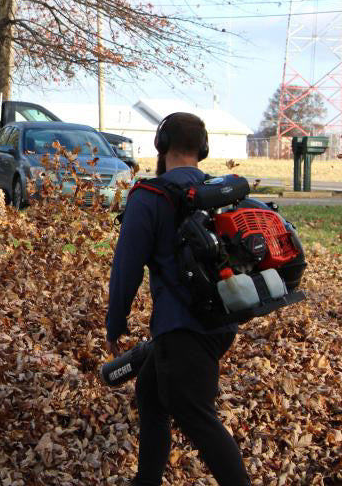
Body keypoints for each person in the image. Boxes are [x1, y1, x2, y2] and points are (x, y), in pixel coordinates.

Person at [105, 112, 249, 486]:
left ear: (161, 144)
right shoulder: (221, 192)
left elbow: (126, 269)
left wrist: (115, 323)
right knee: (151, 393)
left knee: (195, 415)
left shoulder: (149, 197)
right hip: (222, 320)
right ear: (203, 148)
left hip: (182, 328)